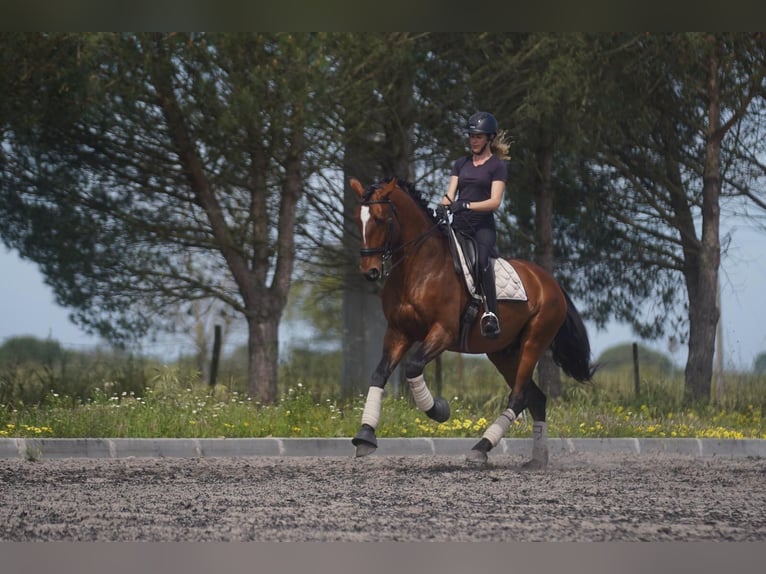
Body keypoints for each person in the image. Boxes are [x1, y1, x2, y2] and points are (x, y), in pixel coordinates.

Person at [441, 111, 510, 339]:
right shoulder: (460, 164)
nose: (473, 140)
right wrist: (443, 205)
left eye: (478, 137)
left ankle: (491, 314)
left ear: (489, 138)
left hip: (482, 228)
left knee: (482, 262)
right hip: (458, 226)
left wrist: (467, 205)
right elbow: (450, 194)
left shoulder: (497, 166)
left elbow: (494, 202)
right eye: (471, 136)